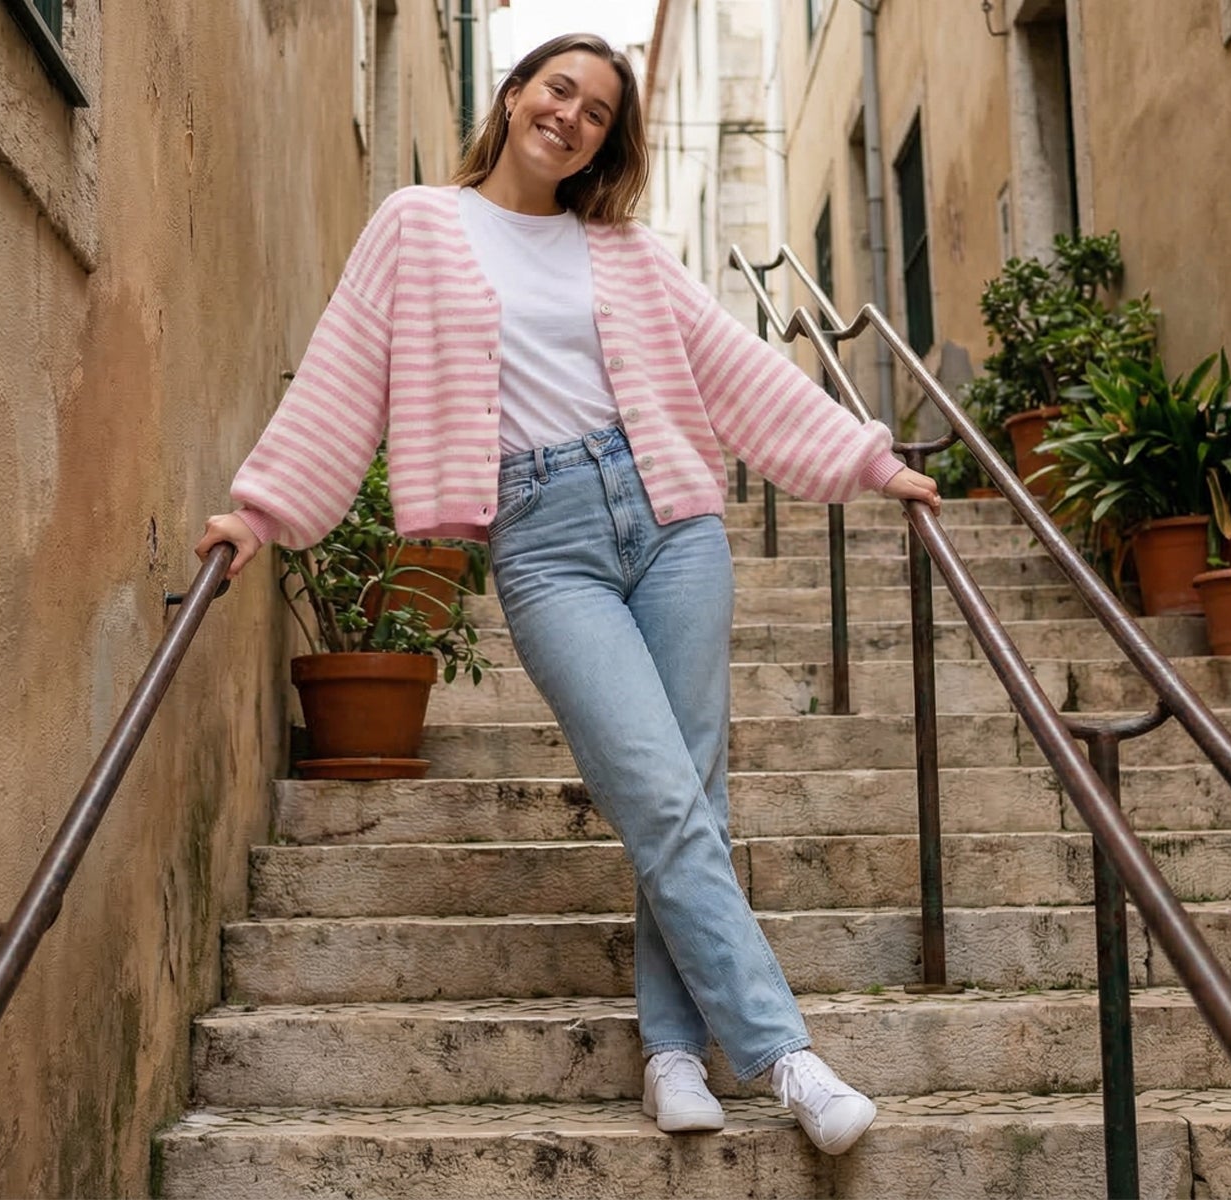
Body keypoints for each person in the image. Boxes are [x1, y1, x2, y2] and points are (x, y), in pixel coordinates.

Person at [195, 32, 939, 1156]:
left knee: (690, 794)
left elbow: (731, 366)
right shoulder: (417, 223)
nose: (571, 118)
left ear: (605, 144)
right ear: (511, 96)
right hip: (543, 542)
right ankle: (786, 1057)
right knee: (656, 787)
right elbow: (344, 370)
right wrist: (260, 513)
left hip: (672, 520)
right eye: (558, 90)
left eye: (597, 112)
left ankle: (673, 1052)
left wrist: (868, 463)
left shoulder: (624, 251)